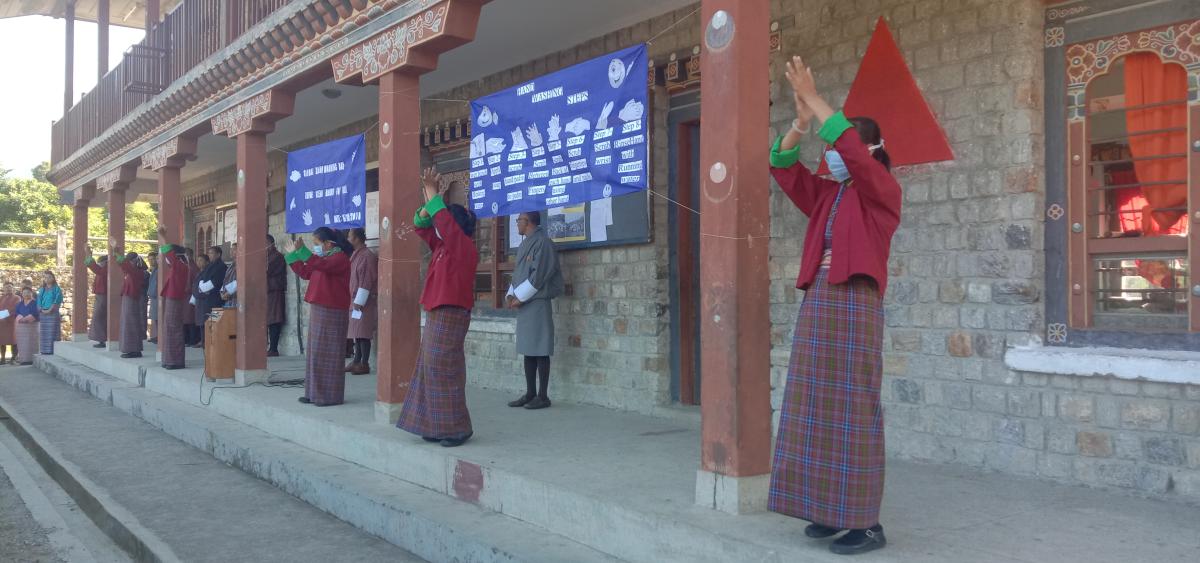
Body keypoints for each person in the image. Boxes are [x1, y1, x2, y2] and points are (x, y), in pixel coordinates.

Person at [767, 55, 901, 556]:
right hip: (820, 302)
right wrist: (800, 124)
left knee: (852, 408)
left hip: (855, 305)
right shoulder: (830, 194)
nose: (835, 155)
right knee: (813, 406)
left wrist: (819, 98)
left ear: (868, 150)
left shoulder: (881, 192)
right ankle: (827, 509)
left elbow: (853, 153)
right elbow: (782, 168)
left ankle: (865, 523)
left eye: (842, 146)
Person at [395, 168, 480, 448]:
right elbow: (420, 225)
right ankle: (434, 423)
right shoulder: (442, 245)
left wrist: (433, 193)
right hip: (436, 311)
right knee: (429, 368)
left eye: (442, 222)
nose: (436, 227)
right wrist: (427, 197)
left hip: (451, 312)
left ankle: (456, 427)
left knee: (443, 368)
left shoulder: (462, 246)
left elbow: (442, 222)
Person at [286, 227, 353, 406]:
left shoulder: (340, 259)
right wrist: (293, 256)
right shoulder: (323, 258)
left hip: (332, 309)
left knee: (328, 354)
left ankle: (327, 396)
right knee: (315, 353)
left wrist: (302, 251)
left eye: (316, 244)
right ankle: (313, 393)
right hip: (320, 308)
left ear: (328, 243)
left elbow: (320, 265)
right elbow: (307, 273)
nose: (315, 247)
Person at [505, 211, 564, 410]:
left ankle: (543, 395)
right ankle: (530, 392)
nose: (517, 224)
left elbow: (538, 275)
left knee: (540, 349)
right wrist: (511, 294)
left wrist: (520, 297)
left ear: (527, 222)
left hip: (537, 302)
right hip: (524, 303)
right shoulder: (525, 243)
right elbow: (518, 274)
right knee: (528, 350)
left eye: (518, 220)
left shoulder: (543, 243)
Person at [157, 229, 192, 370]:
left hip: (175, 300)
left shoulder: (180, 266)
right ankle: (170, 359)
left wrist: (163, 237)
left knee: (174, 329)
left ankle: (176, 360)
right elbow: (169, 258)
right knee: (169, 329)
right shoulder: (176, 266)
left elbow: (169, 255)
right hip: (172, 299)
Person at [345, 228, 378, 375]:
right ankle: (356, 359)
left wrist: (359, 301)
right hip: (354, 300)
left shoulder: (367, 256)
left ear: (357, 238)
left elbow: (367, 280)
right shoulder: (356, 255)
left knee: (363, 333)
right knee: (356, 332)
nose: (348, 238)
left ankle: (364, 363)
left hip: (363, 301)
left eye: (350, 236)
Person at [192, 247, 227, 348]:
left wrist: (203, 288)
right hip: (205, 300)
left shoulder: (221, 267)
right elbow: (202, 279)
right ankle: (205, 343)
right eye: (209, 253)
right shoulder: (210, 266)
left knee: (214, 324)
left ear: (218, 254)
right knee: (204, 324)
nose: (210, 255)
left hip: (215, 300)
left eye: (212, 253)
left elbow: (216, 282)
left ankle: (212, 345)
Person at [116, 252, 147, 358]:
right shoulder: (132, 271)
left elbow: (125, 266)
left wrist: (117, 253)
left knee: (131, 324)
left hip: (132, 300)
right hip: (128, 299)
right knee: (127, 324)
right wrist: (117, 255)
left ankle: (134, 349)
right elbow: (124, 267)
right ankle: (130, 348)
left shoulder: (137, 272)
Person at [266, 235, 287, 357]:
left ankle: (273, 348)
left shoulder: (277, 256)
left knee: (274, 319)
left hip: (274, 291)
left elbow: (265, 270)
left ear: (270, 243)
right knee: (268, 320)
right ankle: (270, 347)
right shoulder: (266, 256)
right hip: (267, 291)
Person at [36, 271, 63, 356]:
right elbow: (38, 300)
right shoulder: (42, 289)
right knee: (44, 333)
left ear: (53, 278)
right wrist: (42, 309)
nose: (47, 279)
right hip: (43, 314)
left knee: (53, 332)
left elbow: (57, 300)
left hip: (53, 313)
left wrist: (50, 309)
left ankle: (53, 350)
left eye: (49, 277)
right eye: (45, 277)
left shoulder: (57, 289)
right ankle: (44, 350)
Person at [85, 254, 109, 348]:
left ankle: (102, 339)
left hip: (104, 295)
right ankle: (101, 339)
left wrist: (89, 258)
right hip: (100, 295)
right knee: (99, 318)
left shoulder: (106, 268)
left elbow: (98, 270)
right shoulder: (103, 269)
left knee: (99, 317)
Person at [13, 288, 39, 366]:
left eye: (28, 292)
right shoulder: (19, 304)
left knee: (32, 342)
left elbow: (36, 312)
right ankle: (24, 359)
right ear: (22, 294)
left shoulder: (36, 303)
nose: (26, 294)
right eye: (24, 292)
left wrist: (27, 318)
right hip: (21, 327)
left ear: (32, 293)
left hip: (33, 326)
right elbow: (16, 313)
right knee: (22, 344)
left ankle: (32, 359)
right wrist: (21, 318)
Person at [184, 249, 200, 346]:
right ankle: (188, 339)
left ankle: (192, 340)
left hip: (190, 295)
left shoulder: (192, 267)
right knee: (186, 318)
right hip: (185, 296)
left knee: (190, 319)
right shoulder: (188, 266)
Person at [0, 282, 19, 365]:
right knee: (1, 341)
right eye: (6, 287)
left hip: (12, 321)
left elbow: (15, 308)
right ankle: (3, 358)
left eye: (10, 287)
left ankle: (13, 358)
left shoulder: (17, 298)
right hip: (1, 322)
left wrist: (5, 316)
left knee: (13, 340)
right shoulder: (1, 298)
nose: (8, 288)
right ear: (3, 289)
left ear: (13, 288)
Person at [220, 243, 238, 308]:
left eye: (234, 249)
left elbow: (240, 281)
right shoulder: (231, 265)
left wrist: (228, 293)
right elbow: (225, 280)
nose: (231, 251)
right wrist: (222, 292)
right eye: (231, 249)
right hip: (228, 300)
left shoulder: (242, 264)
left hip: (236, 300)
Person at [147, 252, 159, 344]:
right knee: (155, 318)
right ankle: (157, 335)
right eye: (149, 259)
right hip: (153, 296)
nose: (151, 261)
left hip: (157, 296)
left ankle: (160, 336)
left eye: (153, 259)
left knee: (158, 317)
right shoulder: (153, 270)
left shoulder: (159, 270)